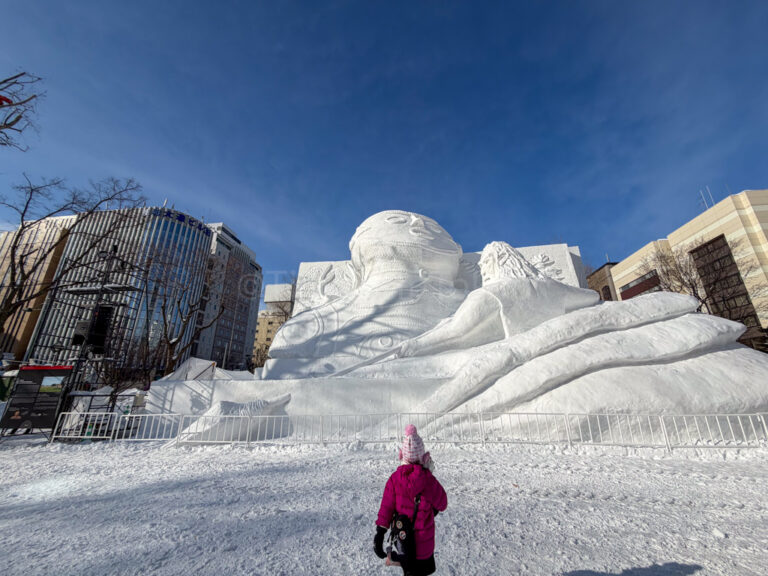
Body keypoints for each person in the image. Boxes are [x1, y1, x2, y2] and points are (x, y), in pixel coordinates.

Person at [374, 425, 447, 576]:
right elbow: (442, 503)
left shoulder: (394, 480)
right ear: (423, 457)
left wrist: (380, 533)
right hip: (424, 546)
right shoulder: (429, 480)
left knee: (408, 571)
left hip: (404, 542)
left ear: (402, 456)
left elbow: (386, 509)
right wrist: (431, 511)